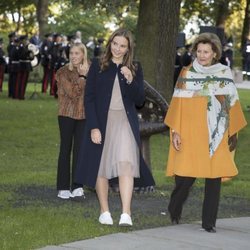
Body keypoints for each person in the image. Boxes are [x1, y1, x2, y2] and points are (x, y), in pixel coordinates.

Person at [164, 32, 247, 233]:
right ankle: (174, 208)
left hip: (216, 131)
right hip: (190, 131)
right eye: (199, 51)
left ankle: (208, 223)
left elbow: (231, 103)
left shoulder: (224, 73)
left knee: (214, 177)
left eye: (206, 52)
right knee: (185, 178)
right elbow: (178, 103)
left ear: (214, 53)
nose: (202, 55)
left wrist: (232, 133)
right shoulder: (187, 72)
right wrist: (175, 131)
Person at [75, 28, 155, 226]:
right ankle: (105, 211)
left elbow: (139, 100)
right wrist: (93, 126)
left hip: (124, 122)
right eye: (115, 44)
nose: (118, 49)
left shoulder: (135, 67)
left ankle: (126, 213)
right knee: (100, 165)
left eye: (122, 46)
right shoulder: (98, 65)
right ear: (110, 43)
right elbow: (90, 98)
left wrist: (129, 79)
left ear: (128, 49)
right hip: (101, 122)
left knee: (126, 163)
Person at [55, 43, 89, 199]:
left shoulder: (91, 71)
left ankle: (77, 186)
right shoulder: (62, 72)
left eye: (77, 53)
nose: (74, 56)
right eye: (71, 53)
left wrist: (87, 75)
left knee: (80, 151)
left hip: (83, 116)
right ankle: (63, 187)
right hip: (66, 115)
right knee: (65, 149)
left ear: (83, 55)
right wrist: (82, 77)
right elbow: (73, 93)